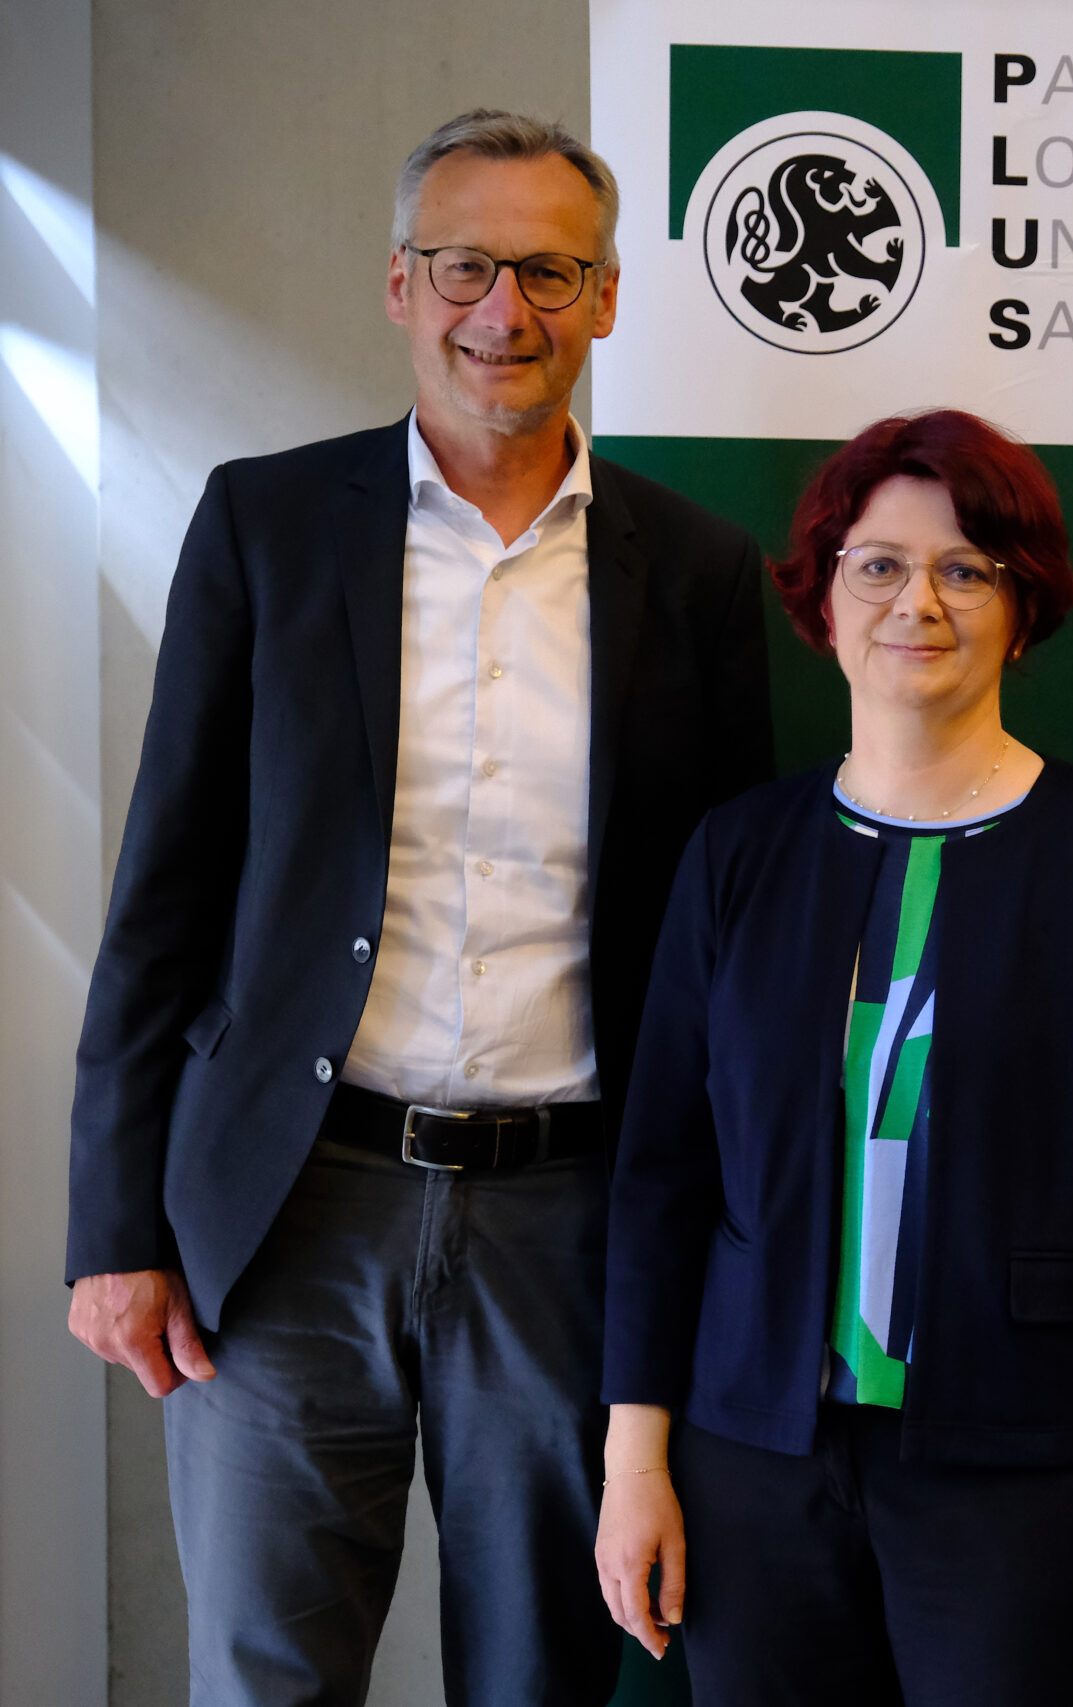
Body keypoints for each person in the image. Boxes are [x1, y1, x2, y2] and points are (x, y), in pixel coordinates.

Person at [62, 110, 772, 1704]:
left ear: (604, 296)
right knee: (265, 1673)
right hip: (286, 1208)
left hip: (567, 1222)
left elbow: (720, 951)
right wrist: (116, 1228)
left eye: (549, 270)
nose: (502, 309)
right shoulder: (265, 525)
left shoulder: (697, 571)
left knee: (539, 1675)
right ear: (401, 283)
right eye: (464, 265)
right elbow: (164, 887)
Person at [592, 408, 1073, 1705]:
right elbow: (660, 1174)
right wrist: (633, 1457)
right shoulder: (738, 852)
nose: (916, 601)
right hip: (752, 1458)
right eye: (877, 563)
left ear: (1022, 605)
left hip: (1021, 1464)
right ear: (823, 598)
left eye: (965, 568)